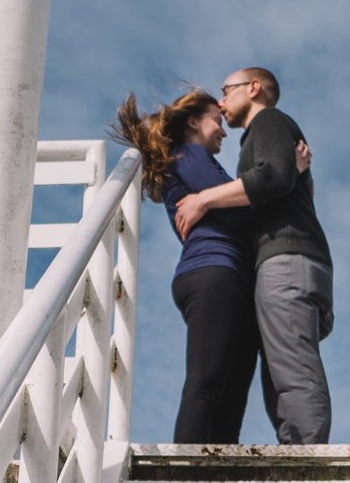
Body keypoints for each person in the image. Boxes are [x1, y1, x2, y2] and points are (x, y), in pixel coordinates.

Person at [175, 66, 333, 443]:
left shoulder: (269, 122)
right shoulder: (261, 137)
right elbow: (283, 184)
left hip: (287, 259)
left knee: (290, 368)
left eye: (227, 91)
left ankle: (308, 462)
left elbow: (274, 178)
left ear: (254, 88)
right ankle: (297, 449)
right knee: (279, 369)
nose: (222, 101)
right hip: (286, 259)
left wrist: (204, 198)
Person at [109, 88, 262, 443]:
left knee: (231, 390)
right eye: (216, 121)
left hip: (231, 276)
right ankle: (184, 471)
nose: (224, 131)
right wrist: (287, 182)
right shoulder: (189, 155)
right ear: (193, 121)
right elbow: (247, 207)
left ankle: (218, 472)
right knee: (208, 383)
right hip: (214, 273)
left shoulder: (198, 161)